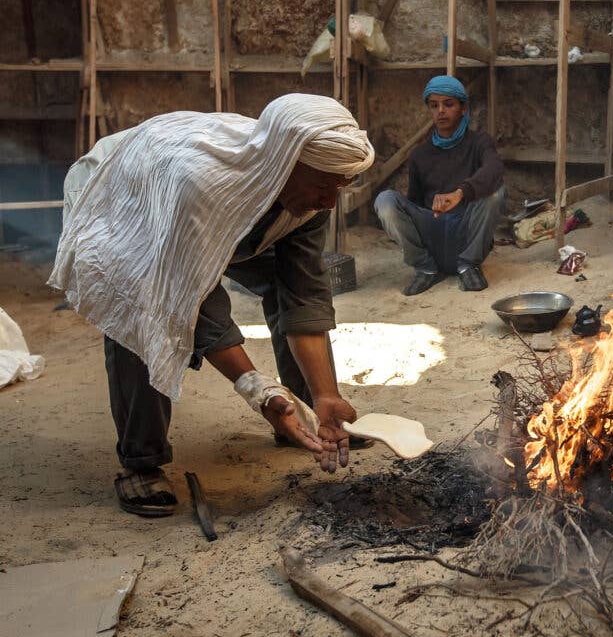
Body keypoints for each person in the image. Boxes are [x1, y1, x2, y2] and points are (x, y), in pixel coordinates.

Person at [50, 94, 375, 517]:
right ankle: (141, 463)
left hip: (241, 213)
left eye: (341, 186)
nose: (331, 202)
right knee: (140, 318)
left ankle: (309, 416)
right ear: (283, 165)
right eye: (322, 186)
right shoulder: (200, 186)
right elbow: (194, 300)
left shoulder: (312, 188)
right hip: (128, 197)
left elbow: (303, 293)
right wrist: (257, 390)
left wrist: (326, 393)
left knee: (288, 289)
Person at [374, 76, 506, 295]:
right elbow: (414, 203)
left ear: (463, 108)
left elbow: (495, 168)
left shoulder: (480, 142)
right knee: (385, 200)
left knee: (496, 191)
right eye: (434, 105)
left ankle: (469, 266)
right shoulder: (419, 155)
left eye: (448, 104)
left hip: (467, 234)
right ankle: (425, 269)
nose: (441, 111)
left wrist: (460, 193)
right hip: (432, 235)